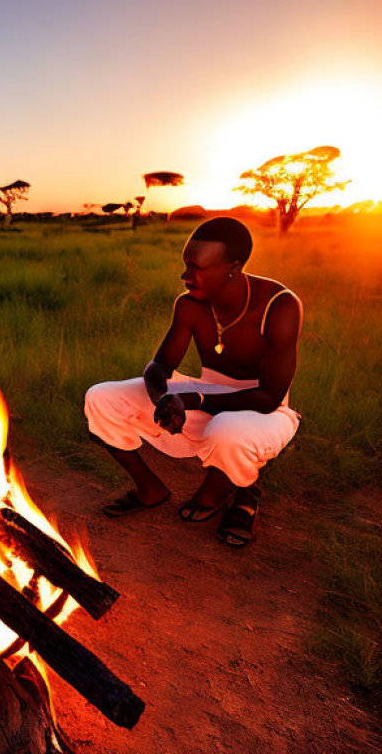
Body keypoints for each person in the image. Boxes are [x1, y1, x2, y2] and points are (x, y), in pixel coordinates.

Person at [84, 216, 301, 547]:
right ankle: (150, 489)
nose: (185, 276)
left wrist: (192, 402)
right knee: (101, 398)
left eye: (196, 268)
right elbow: (160, 366)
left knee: (228, 433)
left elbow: (269, 396)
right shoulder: (189, 306)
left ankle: (236, 492)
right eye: (186, 264)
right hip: (207, 394)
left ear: (233, 267)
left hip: (264, 410)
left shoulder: (279, 305)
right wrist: (163, 400)